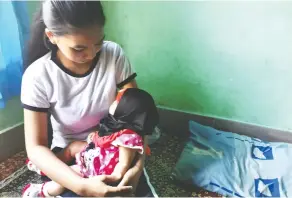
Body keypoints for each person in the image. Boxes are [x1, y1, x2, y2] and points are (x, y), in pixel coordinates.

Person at [21, 1, 153, 197]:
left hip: (113, 148)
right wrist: (80, 186)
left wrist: (137, 166)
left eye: (99, 42)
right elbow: (36, 148)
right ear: (52, 37)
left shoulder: (114, 54)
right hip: (69, 155)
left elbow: (136, 115)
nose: (91, 54)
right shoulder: (38, 75)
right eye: (78, 48)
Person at [22, 88, 159, 197]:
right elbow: (107, 142)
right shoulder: (118, 124)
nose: (113, 101)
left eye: (118, 100)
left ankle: (42, 191)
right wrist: (94, 138)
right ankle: (44, 167)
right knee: (74, 146)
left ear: (128, 110)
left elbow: (123, 163)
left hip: (97, 169)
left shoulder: (128, 137)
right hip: (97, 155)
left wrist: (115, 177)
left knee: (67, 177)